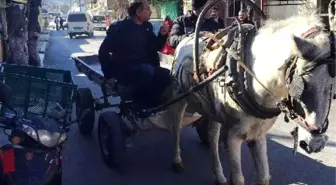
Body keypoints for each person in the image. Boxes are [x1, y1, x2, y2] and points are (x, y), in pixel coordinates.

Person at [98, 0, 171, 109]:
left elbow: (155, 47)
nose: (151, 12)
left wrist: (162, 35)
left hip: (145, 67)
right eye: (148, 9)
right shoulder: (119, 29)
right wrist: (109, 76)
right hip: (125, 70)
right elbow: (103, 52)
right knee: (146, 71)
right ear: (138, 12)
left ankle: (153, 101)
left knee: (167, 75)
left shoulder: (146, 27)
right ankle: (139, 105)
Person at [27, 0, 41, 66]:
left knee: (32, 49)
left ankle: (35, 64)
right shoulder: (36, 9)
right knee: (34, 49)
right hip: (35, 30)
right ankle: (37, 64)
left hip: (32, 30)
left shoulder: (32, 10)